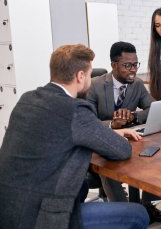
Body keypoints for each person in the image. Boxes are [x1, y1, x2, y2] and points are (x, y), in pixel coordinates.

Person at [0, 44, 149, 229]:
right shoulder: (75, 109)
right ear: (80, 76)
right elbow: (122, 150)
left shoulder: (27, 99)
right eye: (88, 74)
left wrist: (108, 131)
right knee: (138, 215)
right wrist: (110, 134)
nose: (90, 78)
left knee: (82, 187)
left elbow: (64, 132)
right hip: (38, 217)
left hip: (7, 206)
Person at [87, 41, 161, 223]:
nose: (133, 69)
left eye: (135, 64)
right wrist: (113, 124)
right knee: (108, 164)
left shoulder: (137, 85)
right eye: (127, 65)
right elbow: (87, 123)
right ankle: (123, 212)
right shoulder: (94, 85)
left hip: (129, 140)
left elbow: (153, 108)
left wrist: (133, 117)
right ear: (114, 65)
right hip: (100, 143)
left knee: (152, 153)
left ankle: (148, 206)